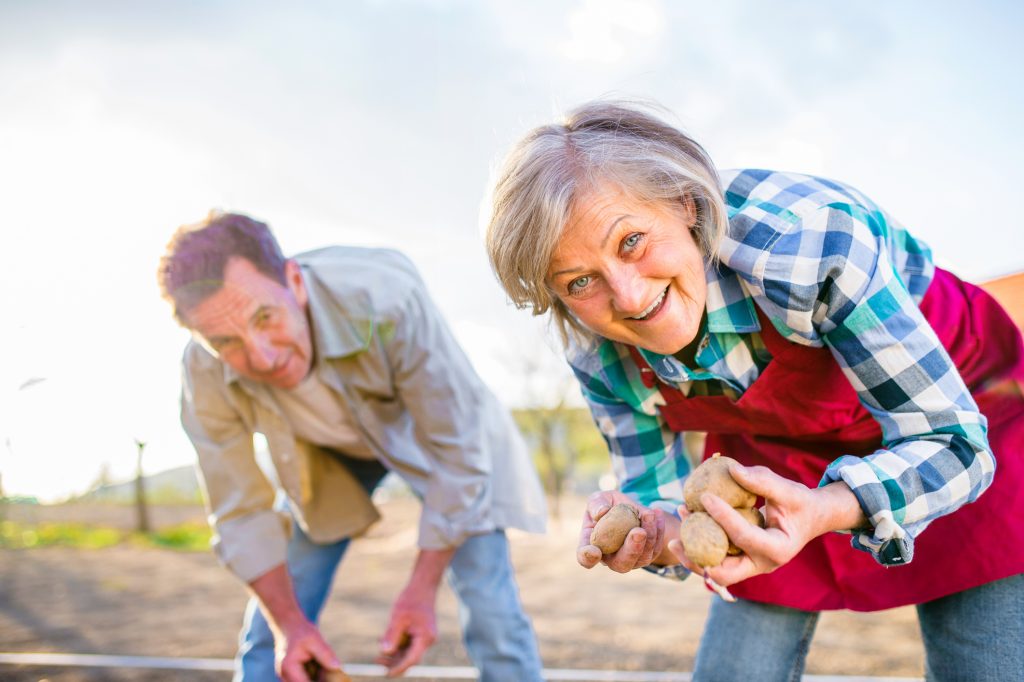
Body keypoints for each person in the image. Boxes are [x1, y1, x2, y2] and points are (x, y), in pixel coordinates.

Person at [484, 100, 1024, 681]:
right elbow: (655, 492)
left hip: (958, 414)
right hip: (774, 452)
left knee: (983, 665)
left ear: (685, 205)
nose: (630, 298)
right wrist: (653, 529)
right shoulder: (594, 346)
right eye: (580, 281)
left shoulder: (810, 243)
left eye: (632, 241)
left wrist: (826, 508)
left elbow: (954, 442)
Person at [157, 213, 547, 682]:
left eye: (265, 317)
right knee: (275, 623)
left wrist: (420, 592)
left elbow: (459, 457)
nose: (262, 357)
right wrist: (291, 627)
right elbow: (240, 515)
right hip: (324, 456)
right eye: (226, 342)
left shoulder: (385, 297)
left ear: (295, 282)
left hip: (436, 441)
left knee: (491, 606)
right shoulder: (203, 371)